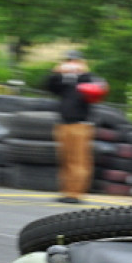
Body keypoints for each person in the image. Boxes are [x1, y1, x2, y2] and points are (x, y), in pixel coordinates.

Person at [44, 50, 100, 204]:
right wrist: (56, 72)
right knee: (65, 159)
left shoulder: (88, 79)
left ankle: (76, 193)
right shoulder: (64, 81)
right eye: (69, 61)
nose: (71, 64)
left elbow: (97, 90)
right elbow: (48, 86)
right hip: (63, 124)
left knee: (78, 160)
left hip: (80, 125)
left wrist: (82, 73)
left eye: (75, 61)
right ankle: (66, 191)